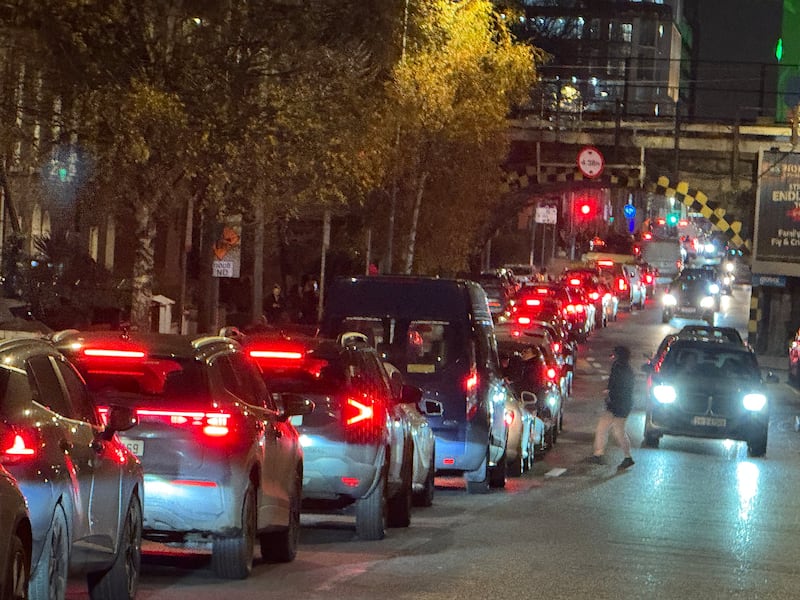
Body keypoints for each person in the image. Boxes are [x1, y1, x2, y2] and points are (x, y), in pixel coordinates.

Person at [589, 345, 635, 469]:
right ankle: (601, 453)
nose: (612, 356)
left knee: (614, 431)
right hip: (621, 405)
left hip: (618, 406)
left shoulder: (620, 368)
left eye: (615, 354)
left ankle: (624, 457)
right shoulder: (624, 368)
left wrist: (610, 395)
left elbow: (618, 387)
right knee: (611, 429)